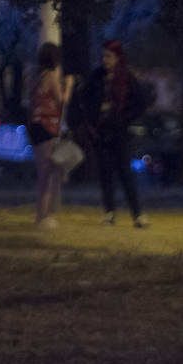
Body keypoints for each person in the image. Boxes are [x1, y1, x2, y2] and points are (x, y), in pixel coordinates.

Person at [68, 40, 148, 228]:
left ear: (118, 58)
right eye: (103, 56)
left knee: (125, 173)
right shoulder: (96, 76)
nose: (105, 60)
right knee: (105, 173)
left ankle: (137, 214)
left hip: (119, 131)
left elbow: (140, 103)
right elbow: (85, 101)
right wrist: (90, 124)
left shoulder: (127, 79)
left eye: (109, 56)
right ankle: (109, 213)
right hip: (100, 132)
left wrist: (124, 118)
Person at [29, 42, 67, 230]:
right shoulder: (52, 77)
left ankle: (42, 215)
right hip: (46, 126)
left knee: (43, 172)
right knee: (46, 174)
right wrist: (69, 87)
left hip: (35, 126)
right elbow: (61, 102)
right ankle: (42, 216)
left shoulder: (38, 78)